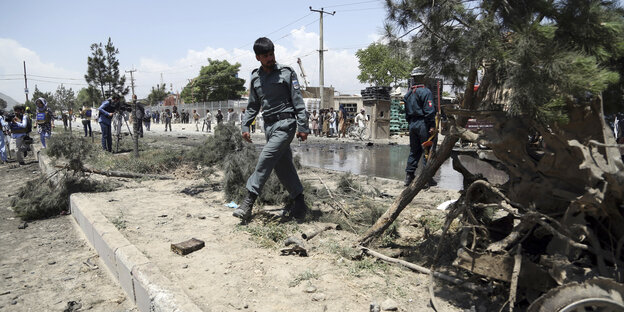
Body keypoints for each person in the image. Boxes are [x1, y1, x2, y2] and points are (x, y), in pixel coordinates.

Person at [233, 37, 310, 223]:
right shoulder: (255, 77)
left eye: (272, 54)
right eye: (266, 55)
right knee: (283, 166)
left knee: (266, 157)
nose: (270, 58)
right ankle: (300, 202)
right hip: (268, 126)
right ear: (258, 57)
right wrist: (245, 126)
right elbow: (253, 105)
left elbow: (298, 100)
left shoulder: (287, 73)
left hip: (286, 124)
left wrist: (303, 126)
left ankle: (249, 200)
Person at [403, 71, 436, 186]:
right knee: (427, 150)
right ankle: (426, 179)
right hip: (423, 124)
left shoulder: (408, 94)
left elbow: (406, 113)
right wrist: (431, 125)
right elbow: (430, 111)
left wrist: (411, 123)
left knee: (414, 150)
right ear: (423, 78)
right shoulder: (426, 92)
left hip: (412, 124)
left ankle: (409, 176)